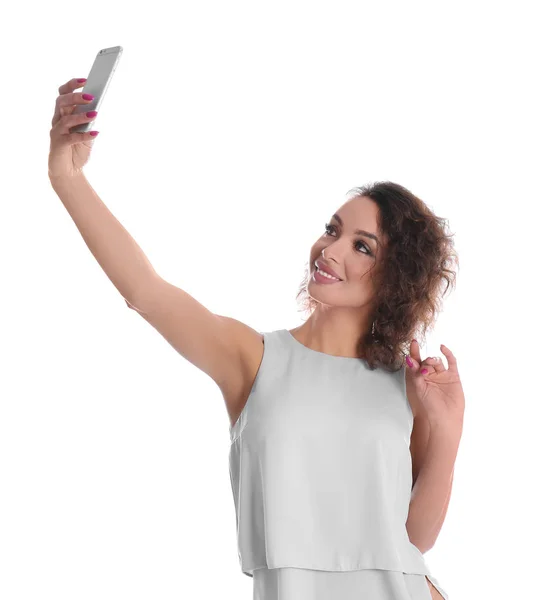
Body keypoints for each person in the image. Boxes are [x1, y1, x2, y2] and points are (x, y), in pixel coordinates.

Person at [49, 77, 465, 600]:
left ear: (395, 277)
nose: (331, 250)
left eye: (363, 246)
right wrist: (66, 176)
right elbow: (147, 292)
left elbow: (414, 540)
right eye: (333, 230)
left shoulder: (407, 386)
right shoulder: (255, 359)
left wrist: (447, 431)